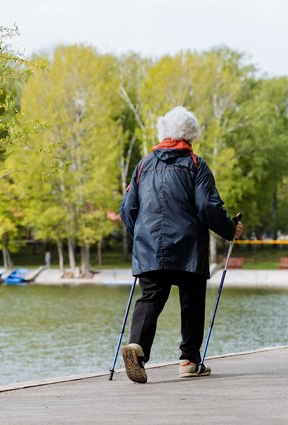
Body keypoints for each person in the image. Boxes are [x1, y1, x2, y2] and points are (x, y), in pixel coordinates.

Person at [119, 106, 243, 384]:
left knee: (150, 298)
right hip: (188, 247)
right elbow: (207, 206)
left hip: (149, 246)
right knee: (192, 300)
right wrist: (229, 229)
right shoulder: (196, 165)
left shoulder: (143, 165)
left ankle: (137, 348)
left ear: (164, 131)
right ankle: (189, 360)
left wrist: (139, 234)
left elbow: (127, 208)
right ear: (191, 134)